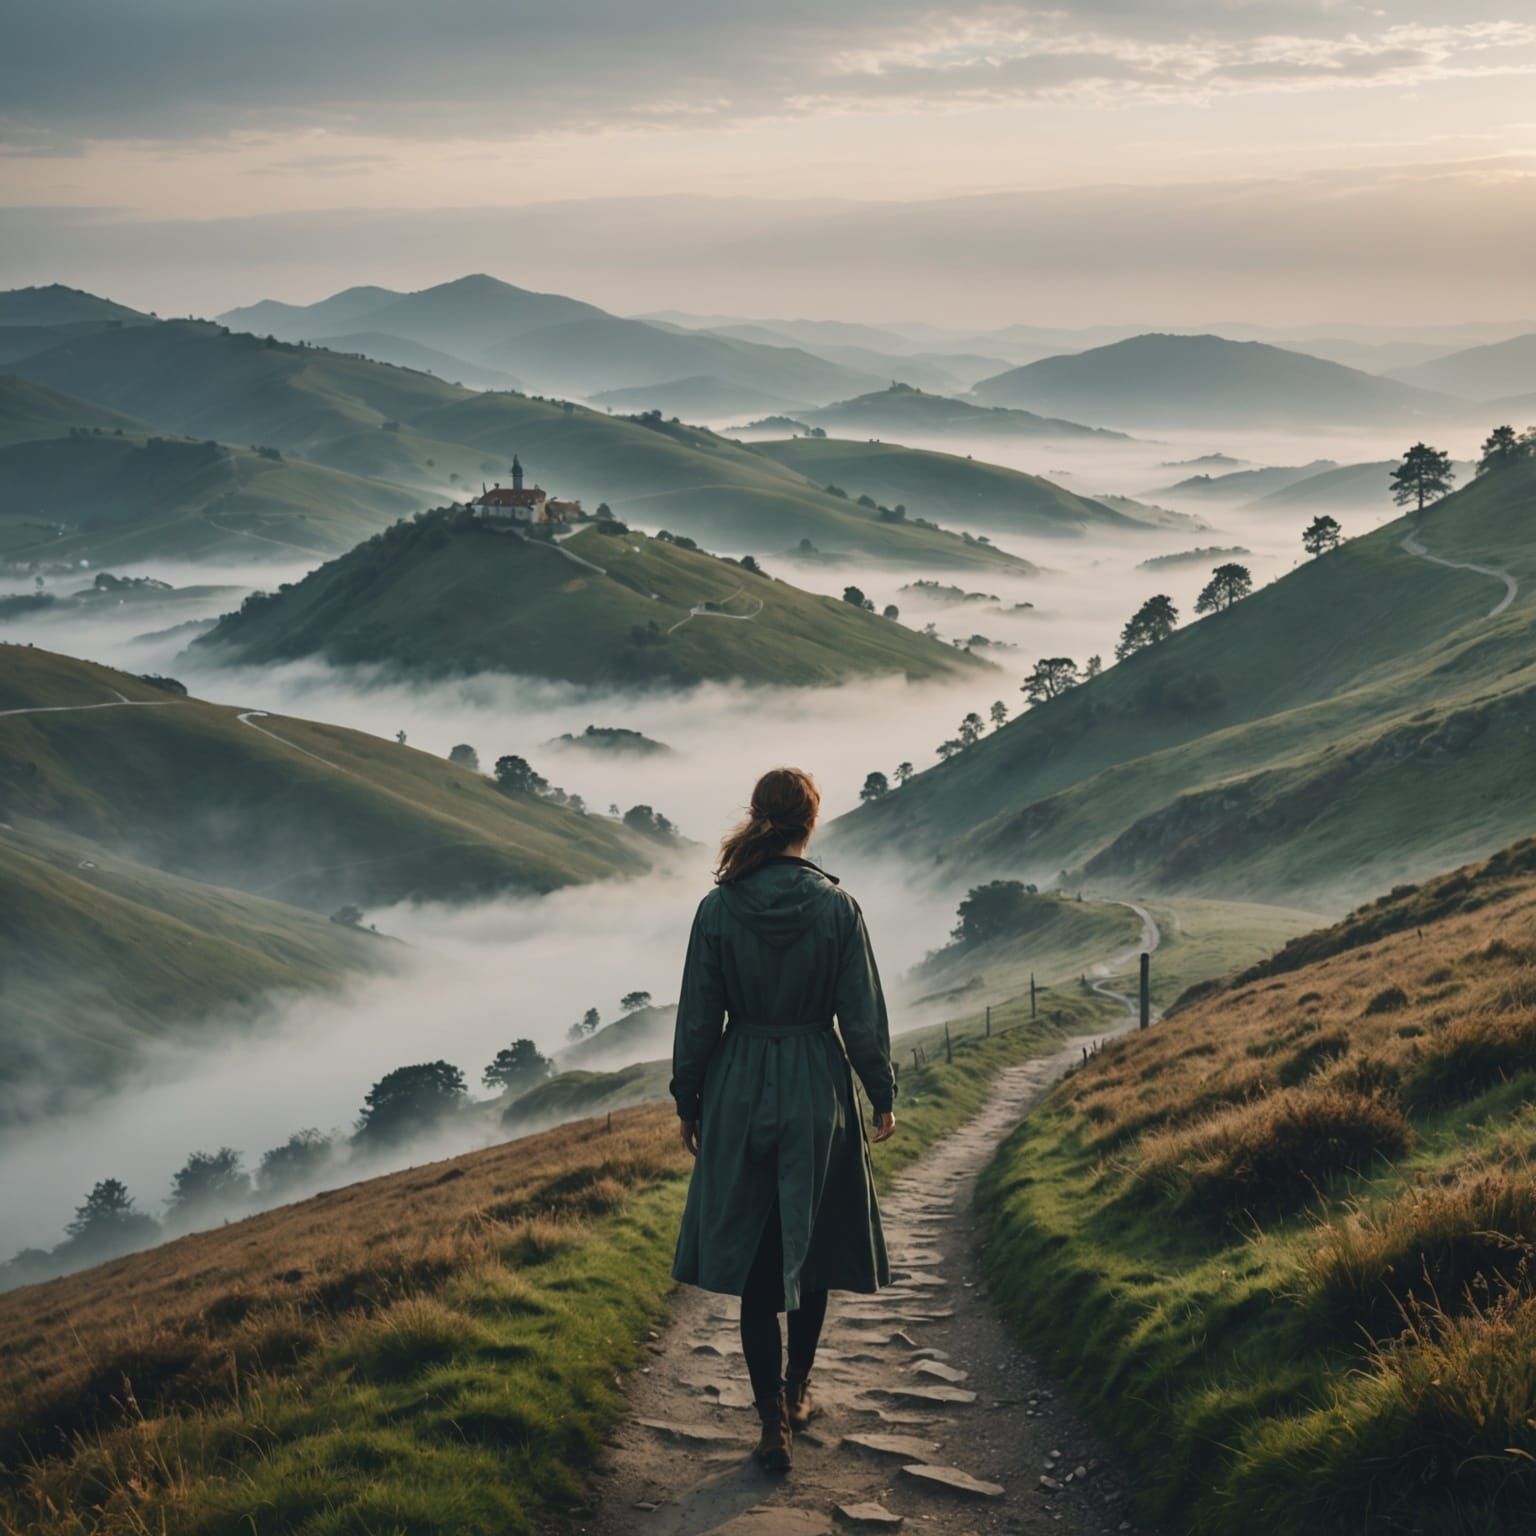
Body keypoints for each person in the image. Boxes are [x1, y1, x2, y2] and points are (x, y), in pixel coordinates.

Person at [670, 766, 897, 1473]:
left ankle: (770, 1416)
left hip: (739, 1084)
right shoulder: (837, 908)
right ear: (810, 821)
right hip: (813, 1085)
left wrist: (690, 1097)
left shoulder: (718, 909)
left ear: (757, 816)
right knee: (817, 1244)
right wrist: (880, 1091)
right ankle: (798, 1391)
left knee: (759, 1262)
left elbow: (700, 1016)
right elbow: (860, 1015)